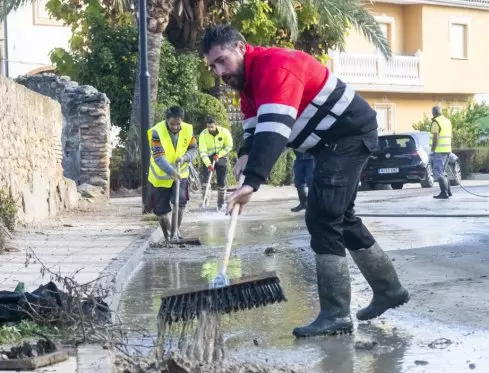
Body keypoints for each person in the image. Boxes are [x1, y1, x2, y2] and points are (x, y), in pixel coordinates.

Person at [200, 25, 410, 338]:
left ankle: (336, 314)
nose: (218, 72)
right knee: (342, 218)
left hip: (349, 135)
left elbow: (274, 129)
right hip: (326, 144)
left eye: (222, 61)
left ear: (241, 47)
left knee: (323, 217)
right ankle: (389, 290)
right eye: (212, 66)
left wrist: (253, 182)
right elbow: (254, 128)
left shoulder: (276, 67)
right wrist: (245, 156)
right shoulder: (248, 85)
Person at [147, 106, 199, 242]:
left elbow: (194, 149)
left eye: (178, 124)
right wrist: (171, 171)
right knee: (161, 211)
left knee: (180, 204)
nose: (175, 127)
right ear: (166, 120)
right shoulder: (156, 132)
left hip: (181, 174)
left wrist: (186, 157)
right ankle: (168, 236)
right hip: (160, 177)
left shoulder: (188, 129)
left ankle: (175, 233)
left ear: (182, 120)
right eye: (172, 124)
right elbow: (158, 157)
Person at [198, 116, 234, 210]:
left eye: (212, 127)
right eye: (208, 127)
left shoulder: (224, 132)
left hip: (221, 157)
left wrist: (219, 154)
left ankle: (220, 203)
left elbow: (229, 146)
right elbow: (202, 151)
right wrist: (208, 164)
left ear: (216, 125)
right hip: (209, 158)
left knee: (221, 182)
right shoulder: (203, 134)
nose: (210, 129)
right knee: (206, 181)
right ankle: (205, 201)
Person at [430, 105, 453, 199]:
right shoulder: (447, 121)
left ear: (433, 113)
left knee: (438, 171)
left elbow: (435, 138)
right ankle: (448, 191)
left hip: (439, 150)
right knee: (443, 171)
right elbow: (451, 136)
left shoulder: (436, 122)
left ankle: (444, 193)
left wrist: (432, 150)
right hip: (447, 150)